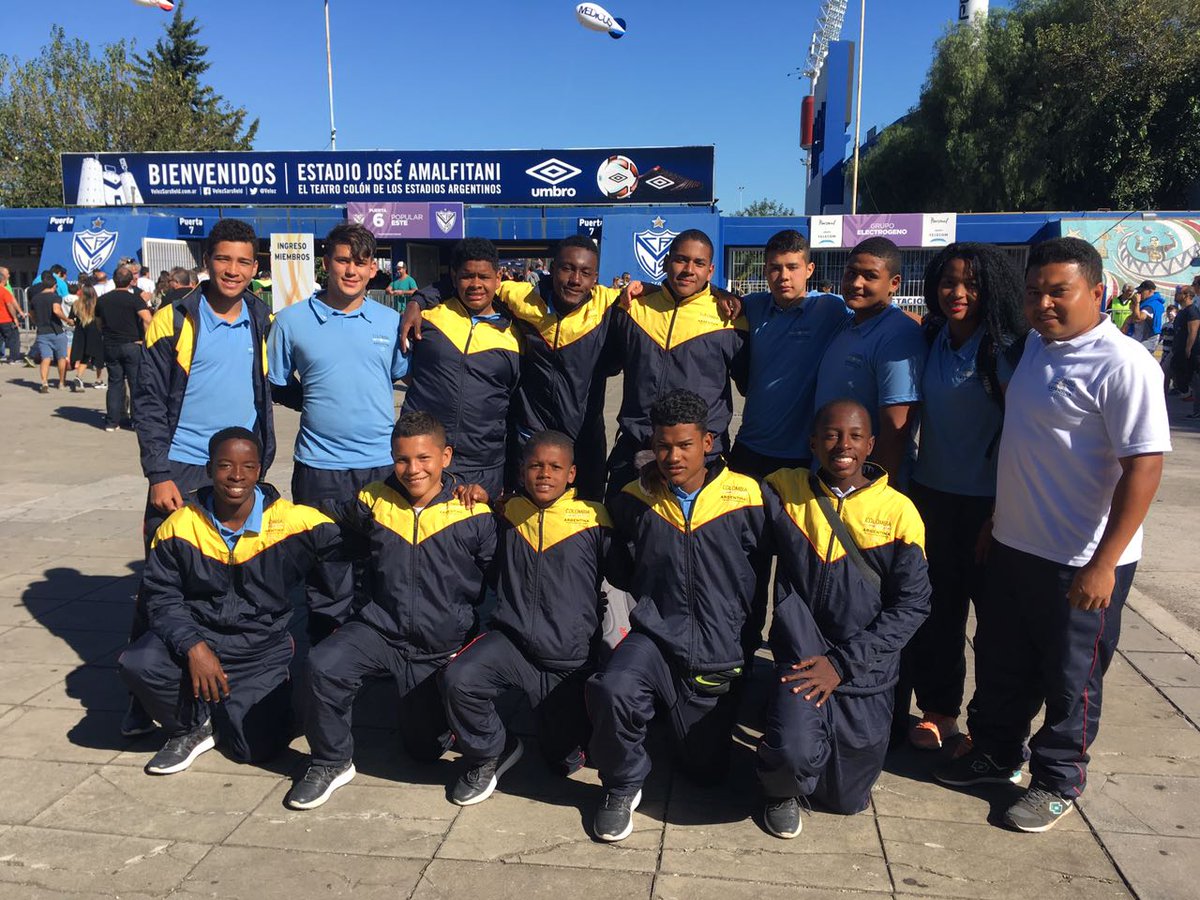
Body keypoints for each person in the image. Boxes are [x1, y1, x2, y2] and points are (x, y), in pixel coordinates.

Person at [935, 237, 1170, 833]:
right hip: (1015, 544)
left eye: (1058, 292)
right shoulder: (1037, 349)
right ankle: (997, 752)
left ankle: (1058, 779)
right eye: (1034, 292)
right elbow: (1028, 444)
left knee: (1072, 679)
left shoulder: (1125, 364)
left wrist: (1105, 563)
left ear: (1097, 292)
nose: (1043, 304)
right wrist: (996, 520)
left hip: (1079, 559)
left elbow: (1144, 467)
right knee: (1001, 660)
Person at [286, 412, 497, 810]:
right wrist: (267, 505)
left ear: (446, 457)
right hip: (380, 630)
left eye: (424, 458)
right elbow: (327, 514)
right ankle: (331, 761)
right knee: (324, 663)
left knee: (423, 750)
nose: (413, 469)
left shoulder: (472, 512)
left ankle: (474, 741)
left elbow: (502, 574)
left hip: (440, 645)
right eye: (402, 459)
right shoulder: (374, 499)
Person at [586, 389, 765, 842]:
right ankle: (622, 785)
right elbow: (616, 564)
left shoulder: (748, 496)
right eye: (663, 446)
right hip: (656, 637)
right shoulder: (635, 498)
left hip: (718, 649)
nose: (673, 456)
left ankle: (670, 715)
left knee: (705, 772)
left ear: (708, 442)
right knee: (613, 687)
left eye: (685, 445)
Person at [118, 427, 344, 774]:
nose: (237, 475)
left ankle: (254, 704)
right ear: (209, 469)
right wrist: (194, 648)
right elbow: (160, 600)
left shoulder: (292, 521)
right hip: (198, 640)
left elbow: (353, 542)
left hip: (259, 650)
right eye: (225, 466)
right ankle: (192, 725)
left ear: (259, 470)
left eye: (248, 466)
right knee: (139, 662)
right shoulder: (179, 527)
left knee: (254, 749)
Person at [127, 218, 275, 738]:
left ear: (255, 267)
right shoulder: (173, 318)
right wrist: (158, 473)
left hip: (241, 471)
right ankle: (141, 697)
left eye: (244, 261)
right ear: (206, 261)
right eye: (224, 259)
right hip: (183, 468)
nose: (233, 270)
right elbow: (148, 402)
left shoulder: (262, 316)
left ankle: (220, 681)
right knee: (161, 583)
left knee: (228, 580)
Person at [756, 399, 930, 838]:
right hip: (802, 657)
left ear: (871, 445)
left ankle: (811, 741)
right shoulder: (784, 489)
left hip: (863, 670)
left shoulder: (899, 512)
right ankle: (780, 788)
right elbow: (722, 500)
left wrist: (842, 664)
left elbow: (912, 605)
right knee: (792, 754)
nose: (842, 445)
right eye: (831, 435)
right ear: (813, 442)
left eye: (854, 436)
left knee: (845, 800)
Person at [900, 243, 1027, 750]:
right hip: (931, 497)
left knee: (994, 627)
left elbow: (1023, 436)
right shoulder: (930, 337)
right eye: (948, 282)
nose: (958, 293)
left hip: (988, 507)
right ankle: (940, 712)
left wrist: (999, 514)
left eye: (971, 285)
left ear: (991, 289)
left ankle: (994, 729)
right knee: (937, 612)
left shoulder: (1005, 350)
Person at [440, 430, 610, 805]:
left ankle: (571, 734)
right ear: (522, 471)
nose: (544, 474)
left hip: (568, 659)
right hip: (513, 644)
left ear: (572, 474)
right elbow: (484, 509)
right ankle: (491, 751)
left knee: (562, 762)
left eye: (555, 467)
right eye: (535, 465)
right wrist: (479, 495)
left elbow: (626, 569)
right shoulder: (510, 511)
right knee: (459, 678)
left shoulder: (594, 518)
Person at [401, 235, 631, 499]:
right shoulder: (521, 298)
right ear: (552, 268)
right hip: (530, 441)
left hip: (584, 443)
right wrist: (418, 301)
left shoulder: (609, 305)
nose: (575, 279)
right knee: (517, 519)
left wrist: (640, 288)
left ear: (596, 278)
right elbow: (469, 278)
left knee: (587, 519)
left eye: (585, 272)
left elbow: (649, 297)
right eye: (567, 268)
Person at [268, 222, 406, 642]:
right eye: (343, 260)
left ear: (372, 269)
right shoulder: (291, 321)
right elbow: (279, 383)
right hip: (319, 468)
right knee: (327, 574)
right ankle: (327, 659)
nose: (351, 270)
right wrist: (315, 402)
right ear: (326, 263)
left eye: (360, 263)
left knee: (380, 570)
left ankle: (372, 657)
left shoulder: (390, 321)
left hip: (380, 466)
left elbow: (397, 375)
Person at [603, 229, 748, 501]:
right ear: (666, 262)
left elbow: (749, 383)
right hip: (636, 450)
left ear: (710, 270)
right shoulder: (632, 308)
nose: (689, 270)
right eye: (681, 260)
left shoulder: (731, 318)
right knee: (619, 527)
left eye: (699, 263)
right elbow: (607, 364)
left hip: (702, 458)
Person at [399, 238, 521, 497]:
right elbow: (405, 373)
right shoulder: (427, 317)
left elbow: (514, 400)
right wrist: (417, 302)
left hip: (484, 466)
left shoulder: (516, 334)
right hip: (424, 459)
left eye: (484, 277)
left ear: (498, 278)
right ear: (454, 277)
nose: (476, 284)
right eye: (467, 276)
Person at [730, 229, 850, 479]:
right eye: (775, 267)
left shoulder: (830, 309)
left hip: (801, 454)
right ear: (765, 270)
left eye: (793, 267)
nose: (784, 276)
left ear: (809, 269)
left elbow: (882, 313)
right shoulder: (752, 306)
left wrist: (927, 323)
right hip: (749, 445)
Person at [814, 237, 927, 485]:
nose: (856, 283)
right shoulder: (849, 322)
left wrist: (873, 494)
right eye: (851, 273)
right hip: (832, 479)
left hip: (864, 486)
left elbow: (895, 431)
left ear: (894, 284)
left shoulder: (898, 336)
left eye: (870, 276)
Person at [96, 267, 152, 431]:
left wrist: (106, 334)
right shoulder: (135, 299)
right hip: (132, 344)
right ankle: (137, 420)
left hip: (110, 345)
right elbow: (147, 319)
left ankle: (112, 422)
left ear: (114, 280)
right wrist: (146, 340)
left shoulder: (103, 300)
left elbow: (98, 323)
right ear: (130, 281)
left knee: (114, 383)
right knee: (135, 383)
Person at [29, 271, 73, 393]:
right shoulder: (55, 297)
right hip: (56, 331)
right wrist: (67, 320)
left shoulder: (35, 299)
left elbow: (31, 314)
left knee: (45, 358)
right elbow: (56, 310)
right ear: (54, 286)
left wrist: (37, 322)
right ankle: (61, 382)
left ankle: (44, 382)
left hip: (42, 332)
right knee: (61, 357)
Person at [68, 282, 105, 392]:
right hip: (95, 330)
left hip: (81, 330)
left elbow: (71, 319)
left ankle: (79, 376)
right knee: (99, 356)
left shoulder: (76, 304)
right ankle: (99, 380)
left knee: (84, 356)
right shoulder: (98, 303)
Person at [0, 266, 28, 363]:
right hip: (6, 319)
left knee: (1, 339)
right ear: (3, 280)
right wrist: (15, 318)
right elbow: (10, 305)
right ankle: (14, 358)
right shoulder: (4, 291)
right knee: (14, 338)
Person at [1128, 279, 1165, 352]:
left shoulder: (1152, 305)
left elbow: (1138, 318)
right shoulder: (1146, 303)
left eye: (1142, 291)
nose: (1140, 294)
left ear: (1150, 291)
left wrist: (1137, 303)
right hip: (1139, 339)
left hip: (1147, 341)